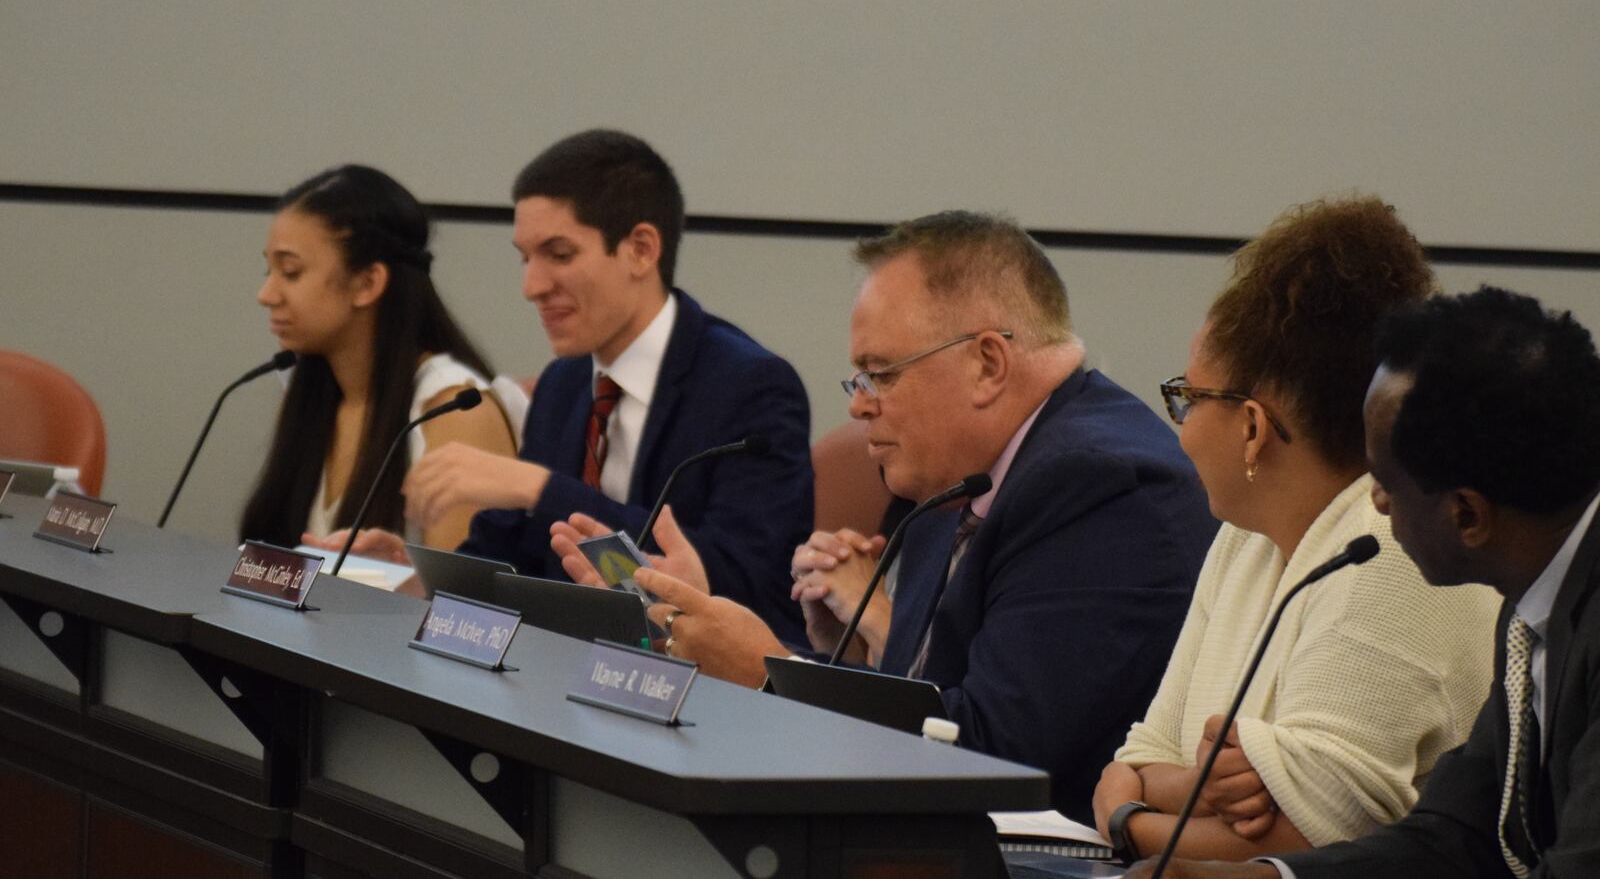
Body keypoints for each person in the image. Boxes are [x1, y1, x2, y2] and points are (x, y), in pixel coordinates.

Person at [557, 211, 1217, 821]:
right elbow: (920, 706)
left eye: (881, 374)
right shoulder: (952, 474)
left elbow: (990, 757)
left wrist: (766, 671)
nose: (859, 404)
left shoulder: (1105, 486)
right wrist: (747, 631)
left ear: (988, 363)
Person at [1125, 287, 1600, 878]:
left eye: (1385, 480)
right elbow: (1454, 836)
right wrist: (1235, 877)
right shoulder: (1534, 602)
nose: (1372, 501)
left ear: (1467, 515)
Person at [1090, 198, 1501, 864]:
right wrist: (1190, 786)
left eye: (1187, 399)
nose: (1181, 427)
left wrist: (1129, 820)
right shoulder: (1244, 540)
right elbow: (1141, 753)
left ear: (1252, 426)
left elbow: (1308, 843)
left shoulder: (1390, 549)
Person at [332, 129, 814, 643]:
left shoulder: (750, 386)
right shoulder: (565, 383)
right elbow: (507, 559)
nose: (531, 286)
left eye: (558, 254)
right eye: (525, 257)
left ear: (641, 249)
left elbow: (747, 579)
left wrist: (541, 489)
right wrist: (416, 578)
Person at [243, 164, 518, 552]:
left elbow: (465, 608)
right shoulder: (309, 394)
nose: (266, 294)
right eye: (267, 269)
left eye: (290, 272)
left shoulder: (453, 411)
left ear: (368, 283)